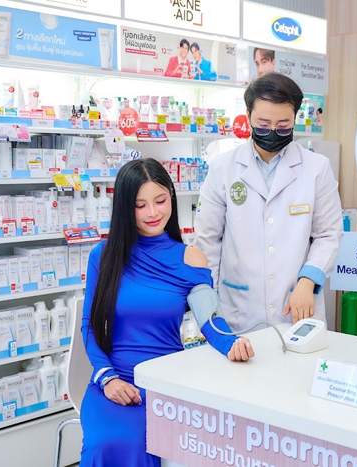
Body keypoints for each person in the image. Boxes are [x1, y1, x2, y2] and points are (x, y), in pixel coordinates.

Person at [80, 159, 254, 466]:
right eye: (140, 205)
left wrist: (233, 344)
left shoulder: (191, 258)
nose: (152, 213)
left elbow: (210, 320)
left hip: (166, 382)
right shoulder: (103, 256)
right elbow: (90, 326)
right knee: (103, 443)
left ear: (171, 197)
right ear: (125, 208)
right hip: (114, 380)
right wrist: (107, 379)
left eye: (160, 201)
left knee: (149, 441)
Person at [195, 73, 343, 332]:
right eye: (263, 125)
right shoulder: (223, 168)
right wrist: (209, 308)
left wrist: (308, 280)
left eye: (283, 126)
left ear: (295, 118)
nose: (273, 132)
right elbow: (208, 241)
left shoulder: (316, 168)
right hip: (238, 311)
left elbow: (329, 235)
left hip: (297, 310)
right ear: (248, 115)